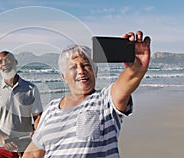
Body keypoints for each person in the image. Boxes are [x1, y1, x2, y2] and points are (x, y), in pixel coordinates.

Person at [23, 31, 151, 158]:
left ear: (95, 71)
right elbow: (34, 153)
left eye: (86, 65)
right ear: (64, 77)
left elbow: (126, 84)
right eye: (73, 67)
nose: (81, 71)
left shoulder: (105, 99)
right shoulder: (51, 109)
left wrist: (136, 68)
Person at [0, 51, 43, 158]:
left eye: (7, 60)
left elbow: (38, 117)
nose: (4, 63)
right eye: (0, 62)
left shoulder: (31, 89)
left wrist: (36, 131)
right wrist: (1, 137)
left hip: (26, 148)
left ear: (15, 62)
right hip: (0, 148)